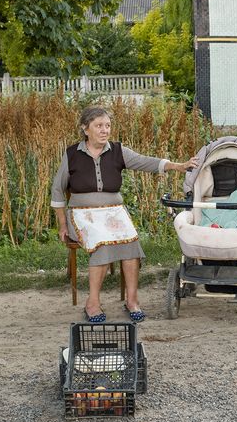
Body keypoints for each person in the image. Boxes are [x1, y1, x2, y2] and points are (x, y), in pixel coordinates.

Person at [51, 106, 197, 323]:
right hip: (82, 214)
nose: (104, 130)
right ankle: (92, 304)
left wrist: (177, 166)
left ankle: (132, 300)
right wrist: (62, 225)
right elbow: (56, 189)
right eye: (99, 125)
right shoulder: (72, 154)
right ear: (85, 129)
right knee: (102, 242)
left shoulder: (118, 151)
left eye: (107, 125)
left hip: (114, 213)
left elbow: (145, 161)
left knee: (131, 244)